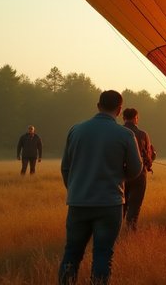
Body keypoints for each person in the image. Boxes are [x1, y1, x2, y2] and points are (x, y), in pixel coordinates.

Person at [58, 90, 142, 285]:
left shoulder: (75, 130)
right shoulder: (125, 134)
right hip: (110, 204)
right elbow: (136, 170)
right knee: (103, 255)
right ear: (120, 110)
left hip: (78, 203)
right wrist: (119, 179)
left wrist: (75, 189)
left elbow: (65, 167)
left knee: (71, 253)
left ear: (97, 106)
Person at [121, 108, 155, 231]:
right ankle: (131, 230)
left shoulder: (117, 132)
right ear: (136, 118)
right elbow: (149, 156)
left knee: (121, 204)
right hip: (139, 174)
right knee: (135, 205)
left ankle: (116, 232)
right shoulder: (143, 134)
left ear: (123, 118)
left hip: (120, 174)